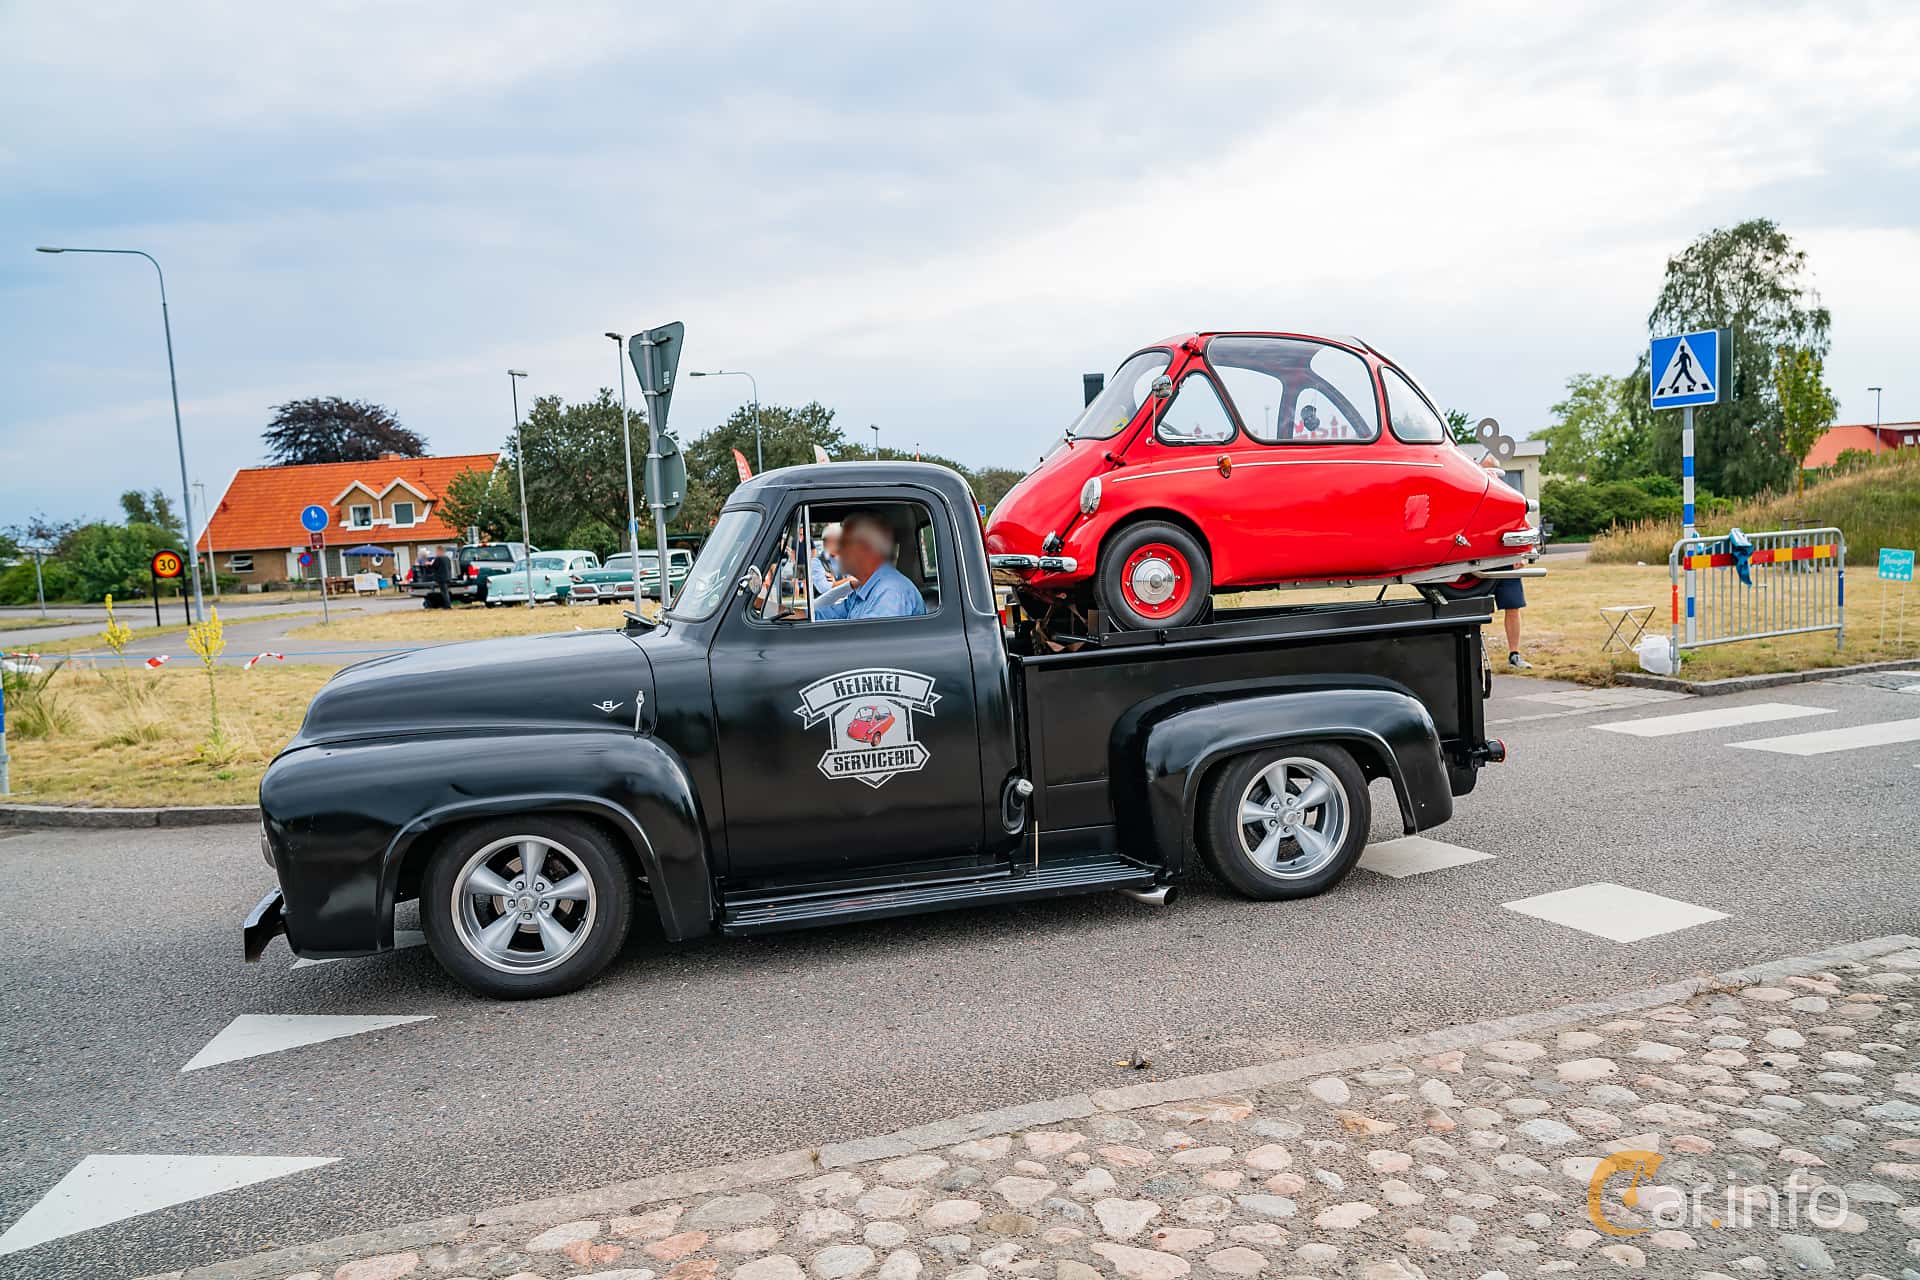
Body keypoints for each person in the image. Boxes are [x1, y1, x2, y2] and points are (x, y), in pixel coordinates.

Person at [813, 510, 926, 621]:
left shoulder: (890, 592)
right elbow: (836, 613)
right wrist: (805, 615)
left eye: (845, 543)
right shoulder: (866, 586)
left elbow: (866, 633)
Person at [1478, 453, 1530, 668]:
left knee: (1513, 607)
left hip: (1506, 561)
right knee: (1475, 609)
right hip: (1480, 563)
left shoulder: (1508, 497)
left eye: (1493, 471)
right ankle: (1475, 655)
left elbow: (1523, 526)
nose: (1490, 475)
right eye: (1485, 470)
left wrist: (1523, 554)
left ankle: (1514, 654)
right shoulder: (1475, 497)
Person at [810, 522, 847, 595]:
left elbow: (859, 582)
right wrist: (849, 580)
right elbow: (825, 588)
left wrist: (835, 583)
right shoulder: (816, 562)